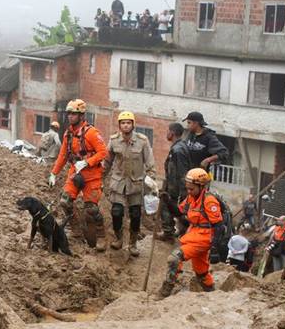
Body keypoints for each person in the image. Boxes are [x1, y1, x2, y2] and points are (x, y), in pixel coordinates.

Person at [48, 99, 109, 250]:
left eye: (74, 113)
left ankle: (101, 236)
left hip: (92, 174)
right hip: (75, 172)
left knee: (91, 209)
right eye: (69, 113)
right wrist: (53, 173)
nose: (70, 116)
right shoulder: (68, 134)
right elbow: (63, 155)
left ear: (81, 115)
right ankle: (76, 230)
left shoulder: (91, 133)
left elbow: (103, 152)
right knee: (65, 201)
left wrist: (88, 162)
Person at [157, 168, 225, 298]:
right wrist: (168, 200)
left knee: (174, 258)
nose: (189, 191)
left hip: (204, 237)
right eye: (187, 188)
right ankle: (212, 293)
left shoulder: (209, 201)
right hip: (194, 234)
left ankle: (165, 291)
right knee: (201, 272)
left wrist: (215, 249)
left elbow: (219, 226)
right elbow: (179, 212)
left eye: (191, 189)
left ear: (201, 186)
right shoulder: (191, 198)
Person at [104, 111, 156, 256]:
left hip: (136, 183)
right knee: (116, 212)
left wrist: (151, 181)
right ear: (119, 125)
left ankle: (133, 243)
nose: (126, 125)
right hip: (119, 183)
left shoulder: (142, 140)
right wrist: (100, 178)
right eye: (123, 123)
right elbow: (107, 162)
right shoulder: (114, 140)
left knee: (135, 214)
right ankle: (119, 238)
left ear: (133, 125)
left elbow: (150, 162)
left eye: (128, 123)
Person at [160, 122, 189, 240]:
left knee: (166, 205)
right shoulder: (178, 147)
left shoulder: (178, 150)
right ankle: (182, 229)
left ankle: (168, 232)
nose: (166, 133)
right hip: (173, 185)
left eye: (167, 131)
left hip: (175, 187)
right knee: (176, 209)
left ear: (172, 133)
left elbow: (182, 172)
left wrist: (183, 192)